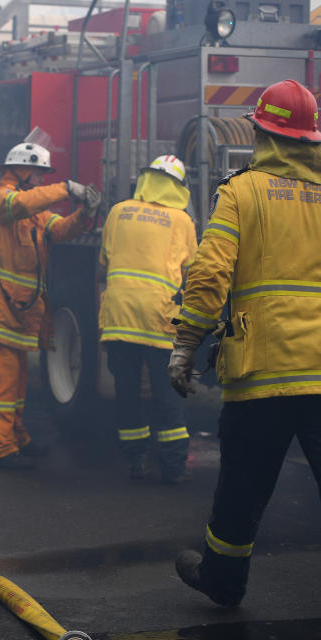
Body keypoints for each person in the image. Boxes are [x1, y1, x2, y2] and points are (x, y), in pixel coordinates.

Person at [168, 79, 321, 608]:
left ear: (261, 134)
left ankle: (224, 581)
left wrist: (187, 344)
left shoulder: (241, 192)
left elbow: (210, 275)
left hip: (262, 376)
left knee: (241, 490)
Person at [0, 140, 99, 470]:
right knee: (1, 384)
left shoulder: (34, 214)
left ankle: (16, 438)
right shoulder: (0, 201)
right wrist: (67, 188)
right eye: (38, 173)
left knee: (17, 383)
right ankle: (0, 450)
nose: (41, 180)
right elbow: (18, 206)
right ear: (22, 172)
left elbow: (61, 229)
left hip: (13, 312)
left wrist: (86, 213)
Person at [99, 155, 197, 482]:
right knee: (168, 393)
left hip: (118, 317)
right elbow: (193, 270)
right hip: (160, 318)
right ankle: (173, 467)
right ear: (177, 186)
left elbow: (104, 258)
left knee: (127, 391)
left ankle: (135, 459)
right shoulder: (181, 220)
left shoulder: (117, 211)